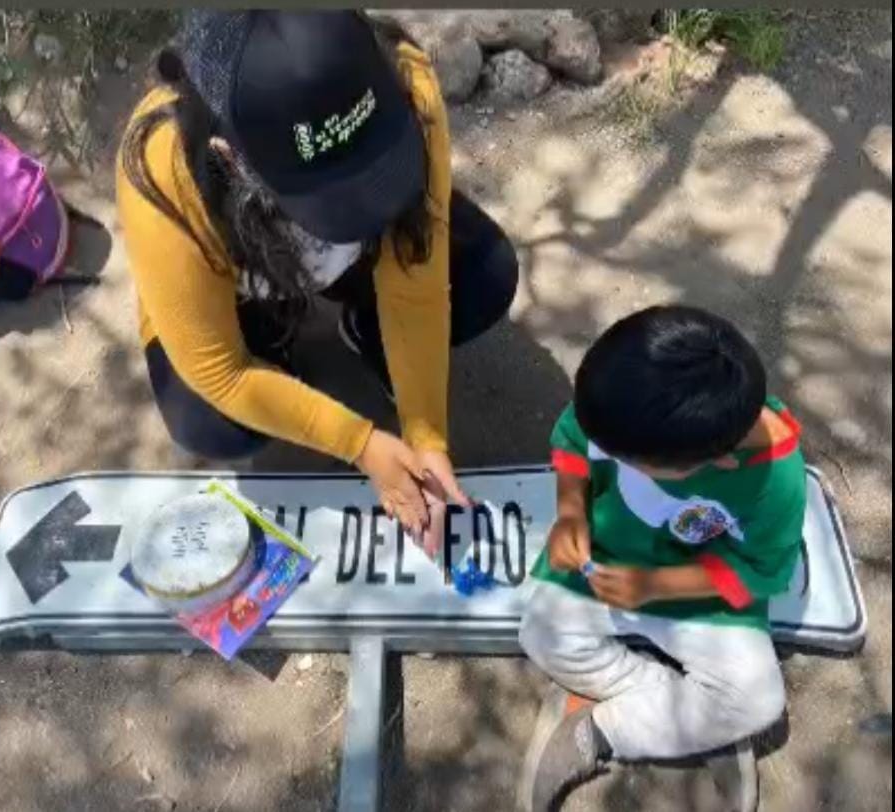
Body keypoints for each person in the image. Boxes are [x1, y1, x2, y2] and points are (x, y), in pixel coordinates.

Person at [116, 11, 518, 540]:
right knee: (211, 423)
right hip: (246, 292)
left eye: (376, 166)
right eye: (330, 198)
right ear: (230, 159)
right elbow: (220, 372)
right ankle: (277, 354)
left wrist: (426, 436)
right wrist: (359, 443)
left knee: (483, 276)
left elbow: (417, 286)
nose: (363, 212)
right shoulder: (163, 171)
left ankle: (365, 334)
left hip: (334, 265)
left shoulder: (407, 80)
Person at [518, 305, 806, 812]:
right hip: (605, 564)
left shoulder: (776, 481)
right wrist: (571, 513)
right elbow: (573, 439)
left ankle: (600, 730)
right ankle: (691, 718)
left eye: (627, 461)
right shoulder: (625, 405)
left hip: (700, 598)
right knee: (540, 634)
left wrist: (655, 587)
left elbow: (761, 571)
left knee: (758, 699)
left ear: (716, 462)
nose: (609, 457)